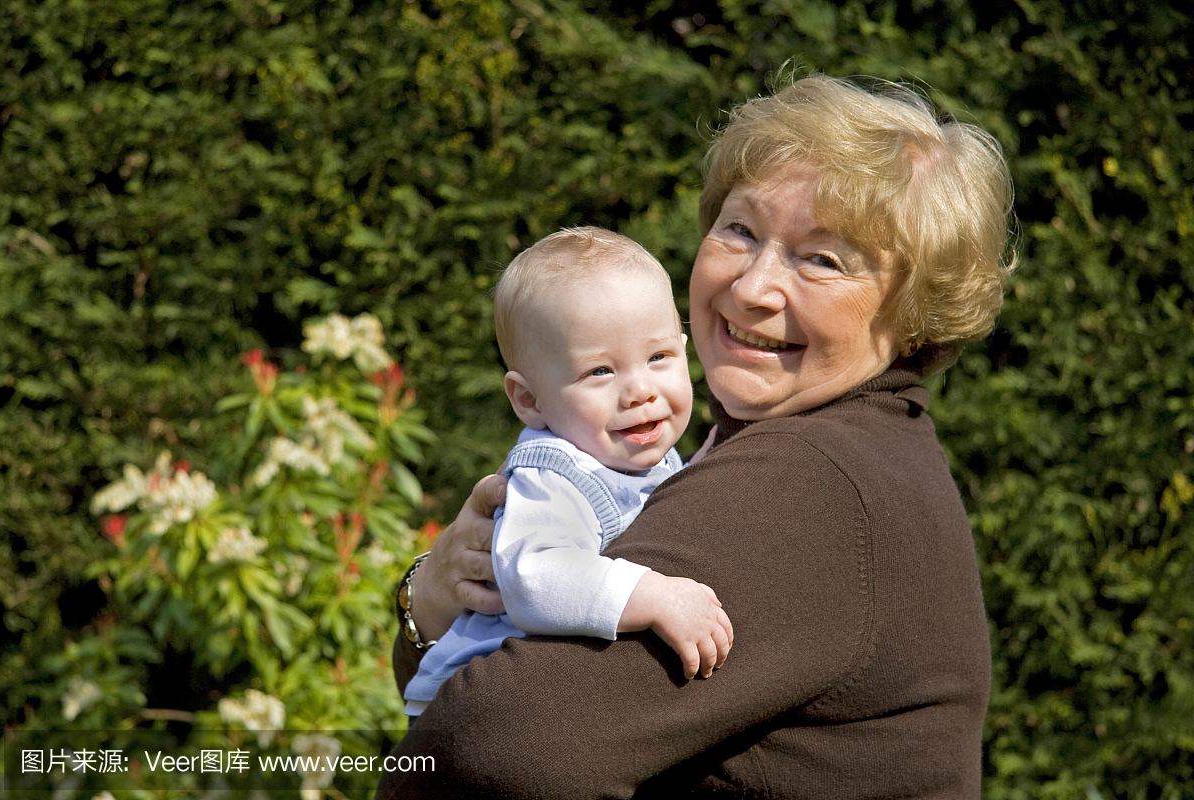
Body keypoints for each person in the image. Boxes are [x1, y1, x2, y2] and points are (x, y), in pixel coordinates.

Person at [378, 72, 1015, 798]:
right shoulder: (768, 450)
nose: (751, 288)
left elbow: (492, 743)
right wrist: (430, 602)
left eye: (822, 259)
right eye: (740, 230)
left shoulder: (808, 481)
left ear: (914, 313)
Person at [401, 227, 732, 719]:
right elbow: (537, 577)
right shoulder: (554, 475)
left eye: (659, 357)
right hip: (479, 708)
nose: (640, 389)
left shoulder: (626, 450)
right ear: (529, 400)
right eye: (600, 371)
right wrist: (655, 596)